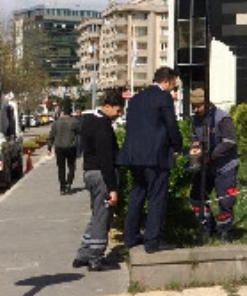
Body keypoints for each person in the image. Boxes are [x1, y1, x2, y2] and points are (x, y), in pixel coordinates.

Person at [118, 66, 182, 253]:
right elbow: (171, 125)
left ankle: (130, 237)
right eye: (173, 84)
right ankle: (153, 240)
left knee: (137, 195)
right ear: (166, 81)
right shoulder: (163, 97)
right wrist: (177, 146)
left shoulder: (136, 99)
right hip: (156, 156)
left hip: (135, 156)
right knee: (156, 197)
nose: (173, 87)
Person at [73, 88, 123, 271]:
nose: (119, 114)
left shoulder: (89, 121)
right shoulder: (103, 126)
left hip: (89, 172)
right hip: (102, 175)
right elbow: (106, 159)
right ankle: (95, 257)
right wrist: (112, 188)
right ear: (107, 106)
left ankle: (83, 253)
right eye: (118, 110)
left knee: (96, 214)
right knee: (103, 216)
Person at [188, 88, 239, 241]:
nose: (195, 109)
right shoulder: (195, 119)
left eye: (198, 106)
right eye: (193, 106)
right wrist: (195, 146)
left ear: (206, 103)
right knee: (196, 196)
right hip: (206, 166)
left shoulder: (222, 118)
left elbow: (229, 142)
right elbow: (194, 137)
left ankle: (226, 230)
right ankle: (207, 225)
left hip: (225, 166)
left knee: (225, 200)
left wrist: (210, 156)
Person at [47, 100, 81, 194]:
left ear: (63, 112)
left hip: (59, 147)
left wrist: (49, 147)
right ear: (71, 112)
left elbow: (51, 135)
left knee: (61, 168)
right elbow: (80, 132)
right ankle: (69, 182)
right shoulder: (74, 122)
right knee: (71, 166)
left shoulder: (56, 122)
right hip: (71, 147)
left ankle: (62, 187)